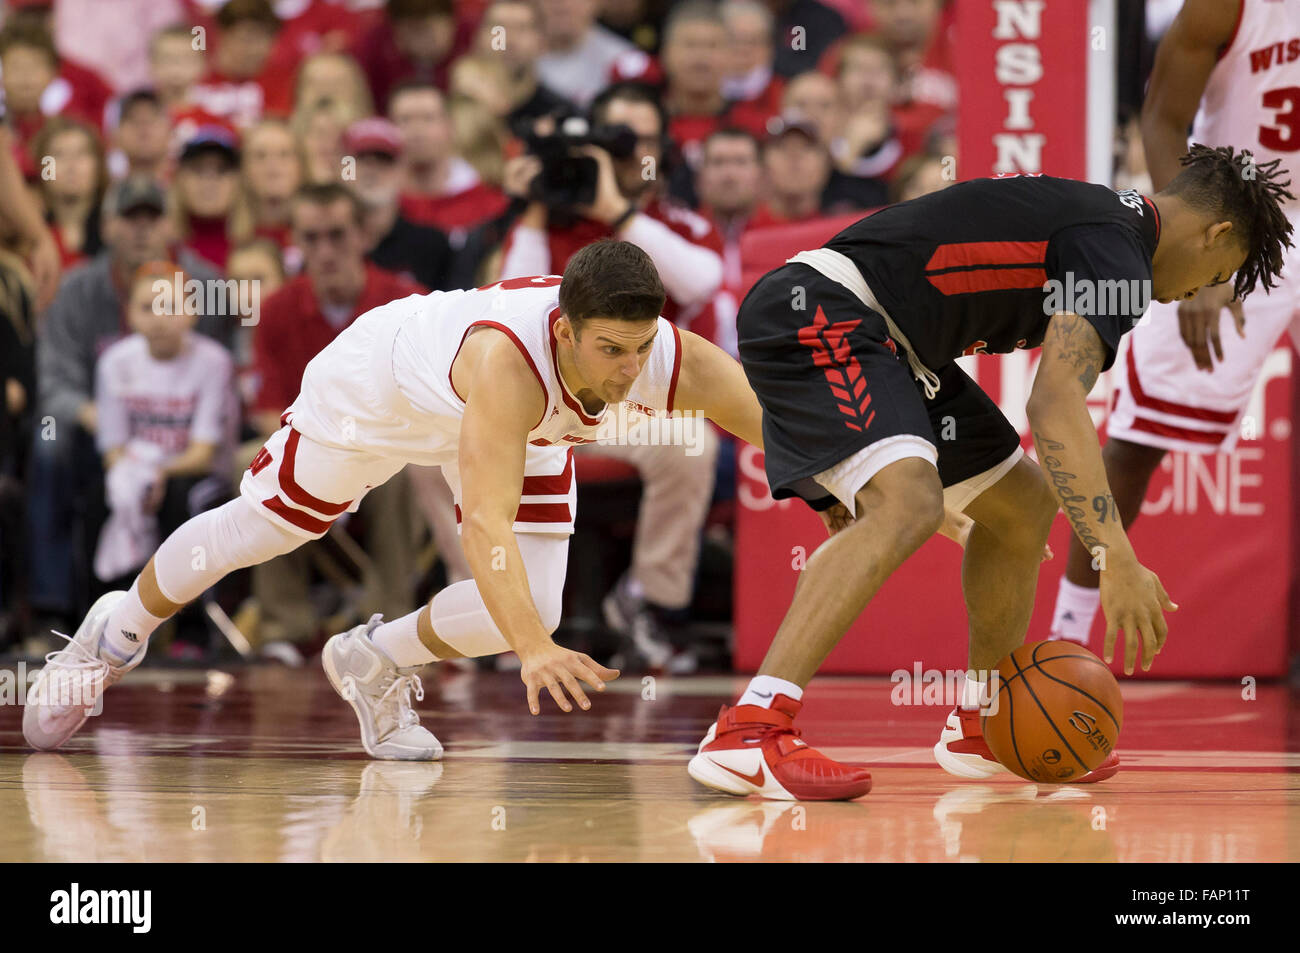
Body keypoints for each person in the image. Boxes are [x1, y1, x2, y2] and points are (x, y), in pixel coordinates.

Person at [688, 150, 1289, 801]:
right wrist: (1114, 553)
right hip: (827, 311)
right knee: (908, 504)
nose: (1193, 293)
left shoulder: (1106, 227)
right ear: (1216, 233)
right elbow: (1055, 405)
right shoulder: (1117, 250)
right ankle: (749, 730)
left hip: (893, 341)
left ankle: (984, 722)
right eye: (1215, 275)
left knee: (1022, 506)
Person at [24, 239, 768, 760]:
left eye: (640, 348)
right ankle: (112, 634)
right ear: (567, 331)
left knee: (532, 604)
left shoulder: (653, 351)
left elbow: (765, 418)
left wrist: (836, 487)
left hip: (508, 426)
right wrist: (535, 654)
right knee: (265, 529)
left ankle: (373, 658)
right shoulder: (509, 364)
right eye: (610, 350)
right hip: (376, 396)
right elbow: (484, 524)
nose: (630, 368)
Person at [1048, 0, 1300, 648]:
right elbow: (1161, 118)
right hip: (1239, 222)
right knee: (1137, 439)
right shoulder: (1228, 6)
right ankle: (1067, 639)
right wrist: (1195, 255)